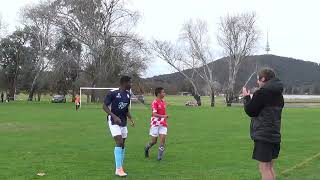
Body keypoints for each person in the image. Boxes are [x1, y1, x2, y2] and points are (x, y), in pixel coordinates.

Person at [242, 68, 284, 180]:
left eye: (258, 79)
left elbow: (250, 111)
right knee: (269, 167)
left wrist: (246, 97)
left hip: (264, 135)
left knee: (264, 168)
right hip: (275, 135)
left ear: (263, 79)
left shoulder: (262, 93)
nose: (257, 82)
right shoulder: (279, 95)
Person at [102, 76, 135, 177]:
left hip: (123, 121)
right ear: (124, 83)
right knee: (119, 142)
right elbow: (104, 106)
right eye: (130, 82)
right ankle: (118, 169)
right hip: (113, 120)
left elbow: (125, 109)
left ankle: (120, 166)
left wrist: (131, 119)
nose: (131, 84)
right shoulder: (113, 93)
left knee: (123, 144)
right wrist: (114, 116)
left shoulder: (128, 95)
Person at [144, 87, 169, 161]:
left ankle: (159, 157)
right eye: (163, 92)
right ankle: (146, 148)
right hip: (155, 123)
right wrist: (163, 116)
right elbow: (154, 114)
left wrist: (164, 118)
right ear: (158, 94)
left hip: (163, 123)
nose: (164, 93)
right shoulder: (154, 102)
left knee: (163, 139)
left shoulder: (163, 102)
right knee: (154, 141)